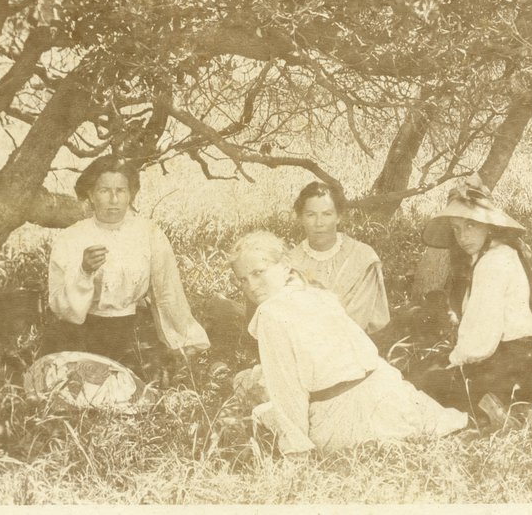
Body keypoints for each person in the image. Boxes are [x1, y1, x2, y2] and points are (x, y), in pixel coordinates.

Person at [231, 230, 467, 455]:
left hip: (345, 416)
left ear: (283, 266)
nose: (251, 286)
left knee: (259, 406)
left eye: (258, 272)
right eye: (243, 280)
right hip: (390, 396)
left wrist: (296, 450)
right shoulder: (313, 292)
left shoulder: (271, 313)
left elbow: (287, 389)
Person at [44, 156, 210, 375]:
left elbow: (167, 293)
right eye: (104, 191)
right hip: (80, 332)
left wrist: (185, 342)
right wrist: (84, 271)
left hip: (132, 330)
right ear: (91, 195)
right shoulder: (71, 238)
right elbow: (63, 307)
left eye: (121, 191)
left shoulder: (148, 233)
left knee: (133, 386)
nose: (114, 199)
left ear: (130, 195)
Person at [414, 174, 532, 416]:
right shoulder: (508, 251)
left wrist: (452, 359)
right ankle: (499, 407)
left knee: (420, 383)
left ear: (488, 225)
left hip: (509, 366)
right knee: (428, 374)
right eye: (457, 229)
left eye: (471, 225)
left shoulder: (492, 263)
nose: (463, 237)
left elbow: (480, 342)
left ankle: (492, 410)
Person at [288, 182, 390, 335]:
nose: (319, 223)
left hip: (353, 345)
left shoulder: (362, 257)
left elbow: (357, 320)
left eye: (327, 214)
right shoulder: (291, 261)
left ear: (338, 217)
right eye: (310, 215)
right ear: (301, 218)